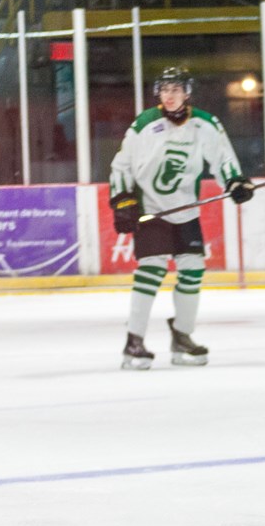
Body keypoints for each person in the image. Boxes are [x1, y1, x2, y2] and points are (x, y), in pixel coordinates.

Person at [109, 67, 254, 370]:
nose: (169, 95)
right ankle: (134, 341)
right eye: (165, 89)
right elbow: (122, 164)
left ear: (187, 93)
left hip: (185, 210)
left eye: (175, 89)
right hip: (151, 208)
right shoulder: (145, 124)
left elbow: (223, 158)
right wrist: (123, 200)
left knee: (193, 269)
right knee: (152, 269)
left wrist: (235, 182)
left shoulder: (204, 124)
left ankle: (182, 336)